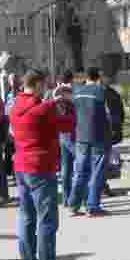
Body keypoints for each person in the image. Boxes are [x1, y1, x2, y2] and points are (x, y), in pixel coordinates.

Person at [10, 69, 76, 260]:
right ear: (37, 85)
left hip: (21, 166)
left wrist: (52, 102)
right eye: (44, 85)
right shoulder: (43, 108)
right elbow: (68, 124)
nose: (46, 89)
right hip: (40, 167)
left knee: (27, 215)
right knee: (46, 218)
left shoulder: (14, 106)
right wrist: (68, 103)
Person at [69, 67, 109, 217]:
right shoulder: (101, 92)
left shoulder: (77, 92)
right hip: (98, 136)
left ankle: (73, 204)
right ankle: (92, 206)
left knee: (80, 172)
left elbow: (73, 114)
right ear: (98, 77)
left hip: (80, 137)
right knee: (96, 172)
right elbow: (108, 115)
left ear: (87, 77)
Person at [101, 72, 125, 197]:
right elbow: (121, 113)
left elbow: (120, 113)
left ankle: (103, 186)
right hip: (106, 132)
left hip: (107, 132)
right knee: (103, 160)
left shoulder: (110, 93)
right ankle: (102, 187)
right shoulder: (111, 93)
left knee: (104, 160)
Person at [56, 70, 76, 206]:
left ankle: (66, 198)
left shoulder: (55, 92)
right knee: (79, 166)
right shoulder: (69, 92)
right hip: (72, 132)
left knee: (65, 167)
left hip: (60, 133)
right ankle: (77, 198)